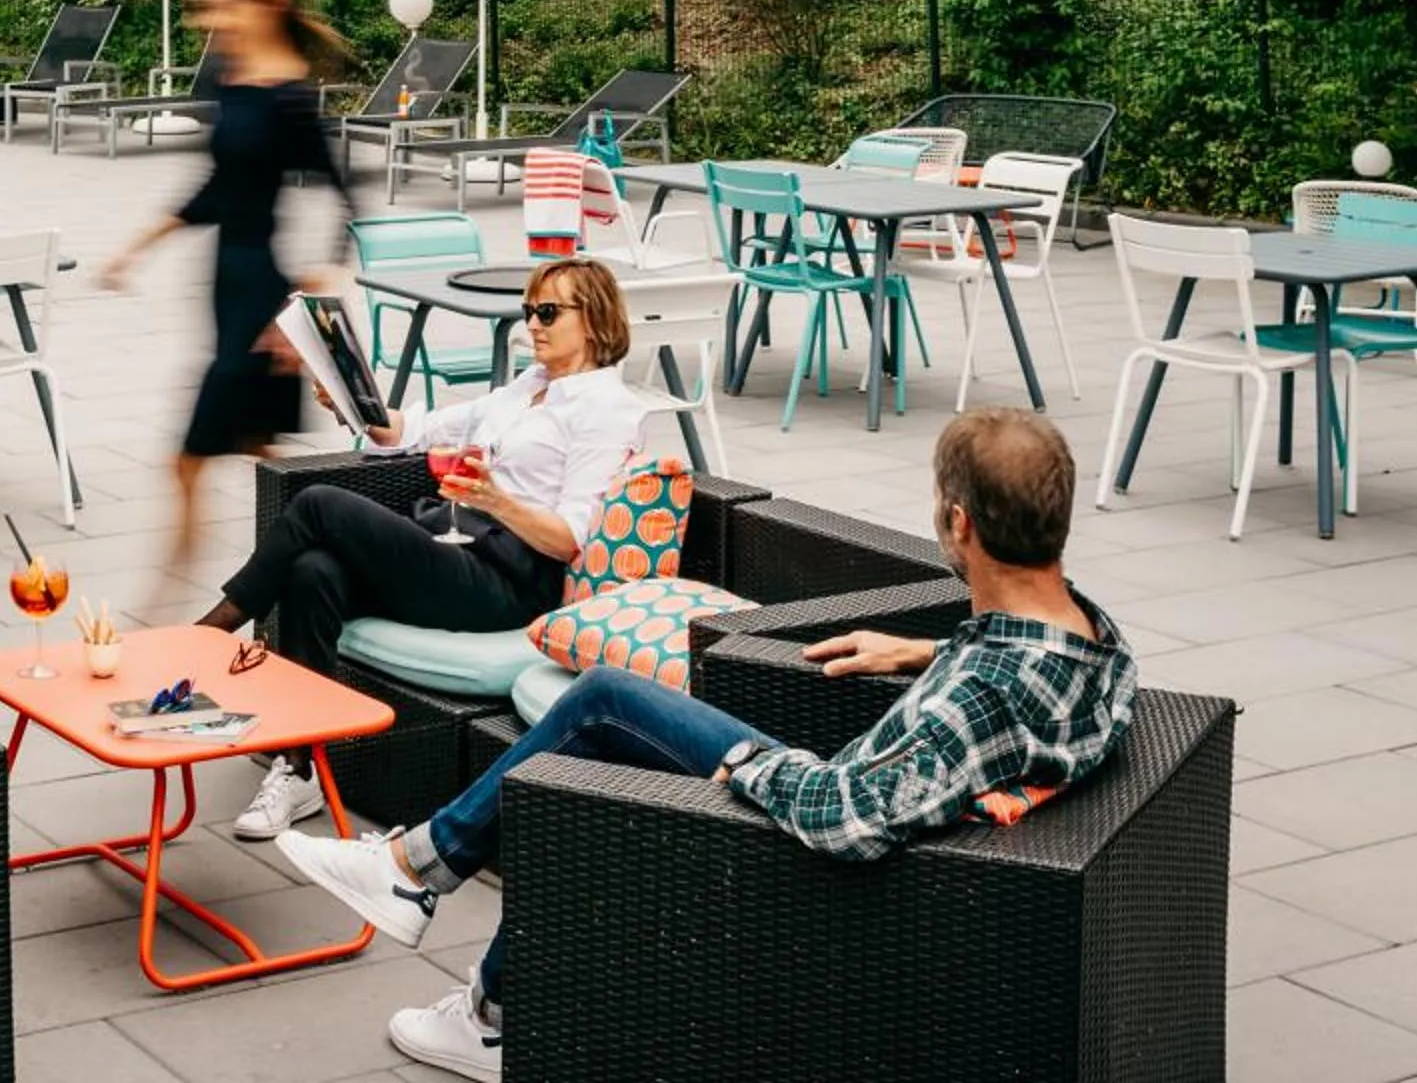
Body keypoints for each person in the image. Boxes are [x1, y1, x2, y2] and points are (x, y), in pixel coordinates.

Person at [273, 408, 1136, 1082]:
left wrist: (744, 762)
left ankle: (422, 883)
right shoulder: (1093, 636)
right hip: (920, 824)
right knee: (597, 742)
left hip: (828, 859)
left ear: (959, 523)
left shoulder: (972, 696)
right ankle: (473, 976)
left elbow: (849, 819)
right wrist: (925, 646)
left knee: (605, 707)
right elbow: (1008, 687)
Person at [200, 255, 655, 843]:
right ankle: (300, 766)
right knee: (313, 571)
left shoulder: (605, 410)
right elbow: (414, 432)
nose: (532, 324)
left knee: (319, 503)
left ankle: (206, 642)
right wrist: (350, 400)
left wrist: (498, 502)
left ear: (593, 321)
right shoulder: (527, 389)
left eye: (548, 311)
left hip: (510, 580)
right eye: (528, 312)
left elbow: (572, 538)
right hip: (454, 543)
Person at [98, 0, 359, 567]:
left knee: (190, 455)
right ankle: (317, 541)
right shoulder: (228, 80)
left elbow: (347, 205)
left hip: (263, 297)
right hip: (225, 279)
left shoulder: (290, 99)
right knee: (255, 444)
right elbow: (217, 189)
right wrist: (136, 249)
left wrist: (300, 310)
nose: (210, 22)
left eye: (223, 8)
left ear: (268, 3)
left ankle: (182, 572)